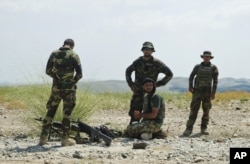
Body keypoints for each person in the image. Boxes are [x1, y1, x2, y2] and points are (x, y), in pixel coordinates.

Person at [38, 38, 83, 146]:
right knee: (67, 115)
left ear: (63, 44)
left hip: (56, 89)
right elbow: (80, 74)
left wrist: (57, 77)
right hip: (69, 90)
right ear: (72, 46)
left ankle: (43, 139)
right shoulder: (74, 55)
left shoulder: (54, 54)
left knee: (50, 112)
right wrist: (72, 81)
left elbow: (48, 71)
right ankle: (65, 140)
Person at [125, 41, 173, 124]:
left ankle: (148, 128)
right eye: (145, 49)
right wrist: (131, 84)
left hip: (150, 92)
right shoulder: (137, 62)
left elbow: (169, 74)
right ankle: (133, 127)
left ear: (152, 51)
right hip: (139, 90)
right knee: (135, 111)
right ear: (142, 50)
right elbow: (128, 71)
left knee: (150, 111)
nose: (147, 51)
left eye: (149, 49)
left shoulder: (157, 63)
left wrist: (156, 84)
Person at [183, 51, 219, 136]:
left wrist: (213, 93)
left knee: (206, 111)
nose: (206, 58)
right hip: (197, 92)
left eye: (208, 56)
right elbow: (191, 76)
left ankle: (203, 129)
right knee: (193, 110)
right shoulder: (197, 66)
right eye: (205, 56)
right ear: (202, 57)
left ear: (210, 58)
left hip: (207, 93)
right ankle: (188, 129)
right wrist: (190, 86)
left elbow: (215, 81)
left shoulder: (213, 67)